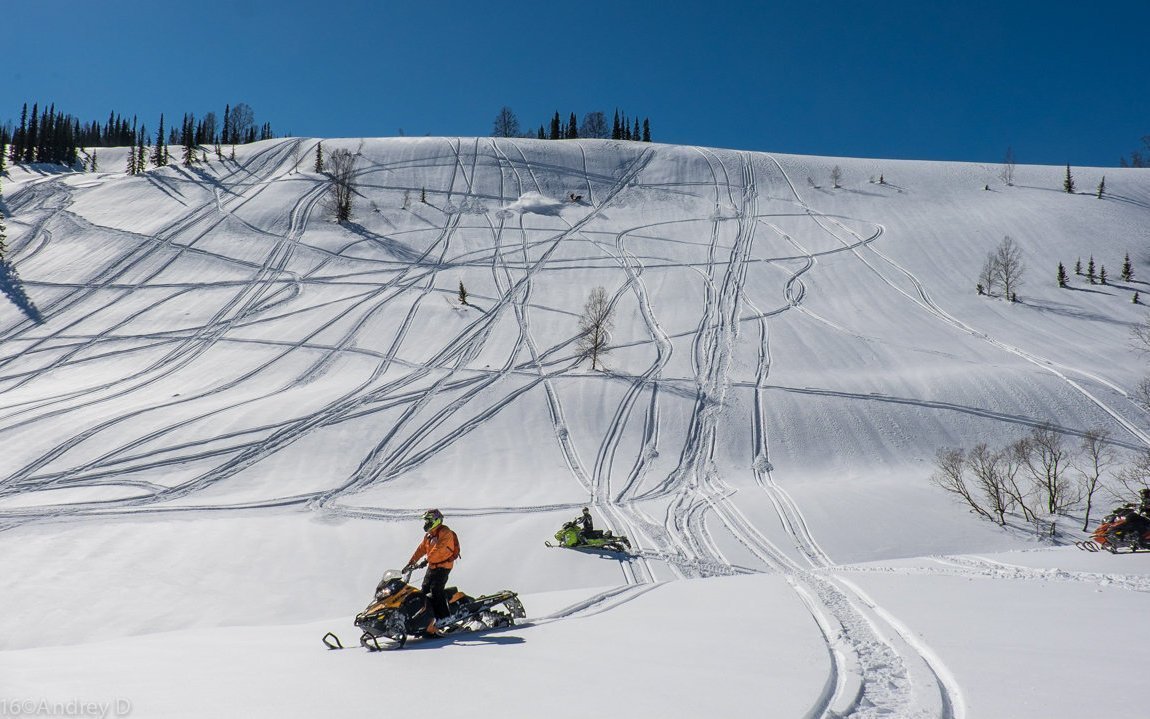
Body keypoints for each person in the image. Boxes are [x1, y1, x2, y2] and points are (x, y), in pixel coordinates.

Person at [404, 509, 460, 635]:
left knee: (436, 589)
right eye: (426, 521)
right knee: (424, 590)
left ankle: (445, 618)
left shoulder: (445, 533)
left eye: (428, 520)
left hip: (444, 566)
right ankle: (428, 620)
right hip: (433, 566)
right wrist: (411, 563)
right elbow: (421, 549)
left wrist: (426, 560)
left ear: (436, 520)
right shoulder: (429, 535)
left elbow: (438, 549)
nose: (426, 523)